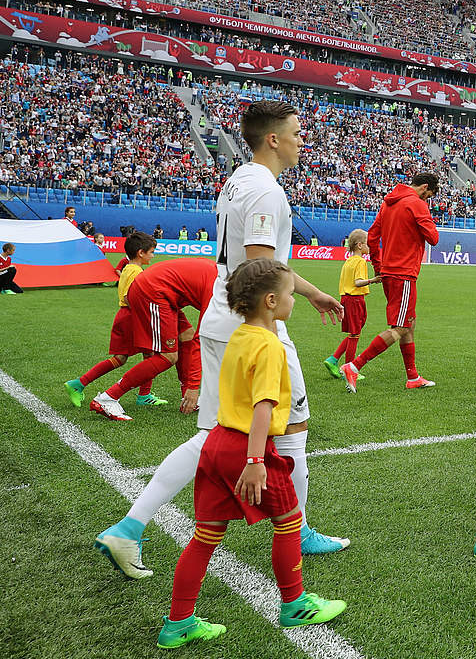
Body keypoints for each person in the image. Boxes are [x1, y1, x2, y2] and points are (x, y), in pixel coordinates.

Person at [95, 101, 349, 581]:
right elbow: (259, 270)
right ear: (272, 139)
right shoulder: (266, 192)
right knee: (294, 424)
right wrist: (275, 325)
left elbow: (255, 264)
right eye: (296, 133)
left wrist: (312, 293)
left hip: (219, 312)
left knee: (212, 434)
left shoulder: (237, 179)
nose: (301, 140)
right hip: (249, 321)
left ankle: (129, 526)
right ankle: (298, 530)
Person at [155, 259, 345, 649]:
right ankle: (294, 603)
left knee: (205, 537)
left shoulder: (240, 335)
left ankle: (178, 622)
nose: (295, 299)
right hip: (247, 447)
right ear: (272, 300)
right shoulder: (270, 346)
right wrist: (256, 461)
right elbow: (263, 405)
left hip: (217, 443)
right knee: (290, 521)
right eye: (291, 294)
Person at [341, 173, 441, 390]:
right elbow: (433, 238)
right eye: (429, 195)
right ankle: (354, 366)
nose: (427, 200)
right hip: (403, 273)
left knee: (409, 322)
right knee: (401, 327)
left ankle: (413, 377)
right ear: (425, 188)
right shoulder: (417, 204)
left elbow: (373, 237)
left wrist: (379, 267)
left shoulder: (387, 204)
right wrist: (425, 216)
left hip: (389, 272)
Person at [86, 258, 216, 422]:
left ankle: (187, 398)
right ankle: (107, 398)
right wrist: (193, 386)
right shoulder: (218, 290)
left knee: (186, 335)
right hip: (153, 291)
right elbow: (201, 339)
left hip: (163, 292)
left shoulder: (225, 278)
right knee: (168, 356)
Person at [65, 232, 163, 411]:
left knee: (144, 356)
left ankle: (144, 395)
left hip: (128, 317)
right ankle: (79, 383)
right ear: (141, 253)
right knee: (140, 357)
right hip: (132, 318)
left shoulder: (129, 268)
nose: (153, 255)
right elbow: (128, 297)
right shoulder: (135, 271)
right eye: (151, 252)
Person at [323, 230, 379, 379]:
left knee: (354, 332)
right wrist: (374, 280)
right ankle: (350, 369)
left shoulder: (348, 261)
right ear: (360, 245)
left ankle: (333, 359)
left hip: (346, 299)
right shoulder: (360, 261)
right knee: (355, 334)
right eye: (368, 243)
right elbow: (357, 282)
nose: (370, 246)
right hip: (355, 299)